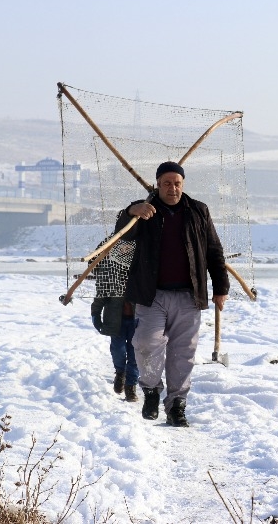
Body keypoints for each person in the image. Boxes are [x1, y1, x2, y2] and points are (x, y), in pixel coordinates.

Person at [116, 160, 229, 427]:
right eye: (167, 183)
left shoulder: (199, 211)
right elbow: (122, 235)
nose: (173, 188)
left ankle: (176, 404)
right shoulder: (145, 211)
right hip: (151, 294)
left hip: (189, 296)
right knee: (145, 343)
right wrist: (132, 210)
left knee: (183, 353)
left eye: (177, 183)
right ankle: (152, 390)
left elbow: (214, 250)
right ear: (157, 184)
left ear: (183, 184)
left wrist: (220, 288)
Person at [89, 234, 139, 402]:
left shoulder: (140, 262)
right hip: (115, 319)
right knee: (118, 350)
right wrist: (95, 314)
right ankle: (120, 372)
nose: (125, 247)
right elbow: (100, 291)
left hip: (138, 320)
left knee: (135, 354)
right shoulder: (110, 265)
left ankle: (131, 386)